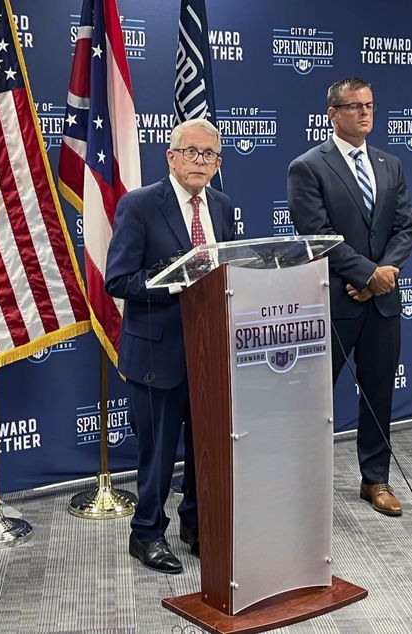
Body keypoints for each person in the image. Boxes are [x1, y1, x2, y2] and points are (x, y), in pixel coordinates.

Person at [105, 119, 236, 574]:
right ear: (171, 156)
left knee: (206, 449)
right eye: (192, 152)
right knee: (157, 455)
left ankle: (196, 526)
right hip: (157, 354)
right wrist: (176, 281)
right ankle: (146, 533)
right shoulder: (139, 206)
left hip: (211, 354)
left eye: (210, 155)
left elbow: (228, 272)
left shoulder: (221, 206)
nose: (201, 162)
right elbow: (118, 280)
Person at [287, 77, 412, 516]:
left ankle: (375, 479)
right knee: (316, 398)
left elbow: (405, 228)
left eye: (370, 105)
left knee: (378, 393)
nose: (365, 113)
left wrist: (383, 275)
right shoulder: (308, 166)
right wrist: (365, 274)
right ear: (333, 114)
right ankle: (303, 483)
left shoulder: (390, 163)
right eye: (354, 106)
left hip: (381, 304)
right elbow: (316, 234)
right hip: (334, 302)